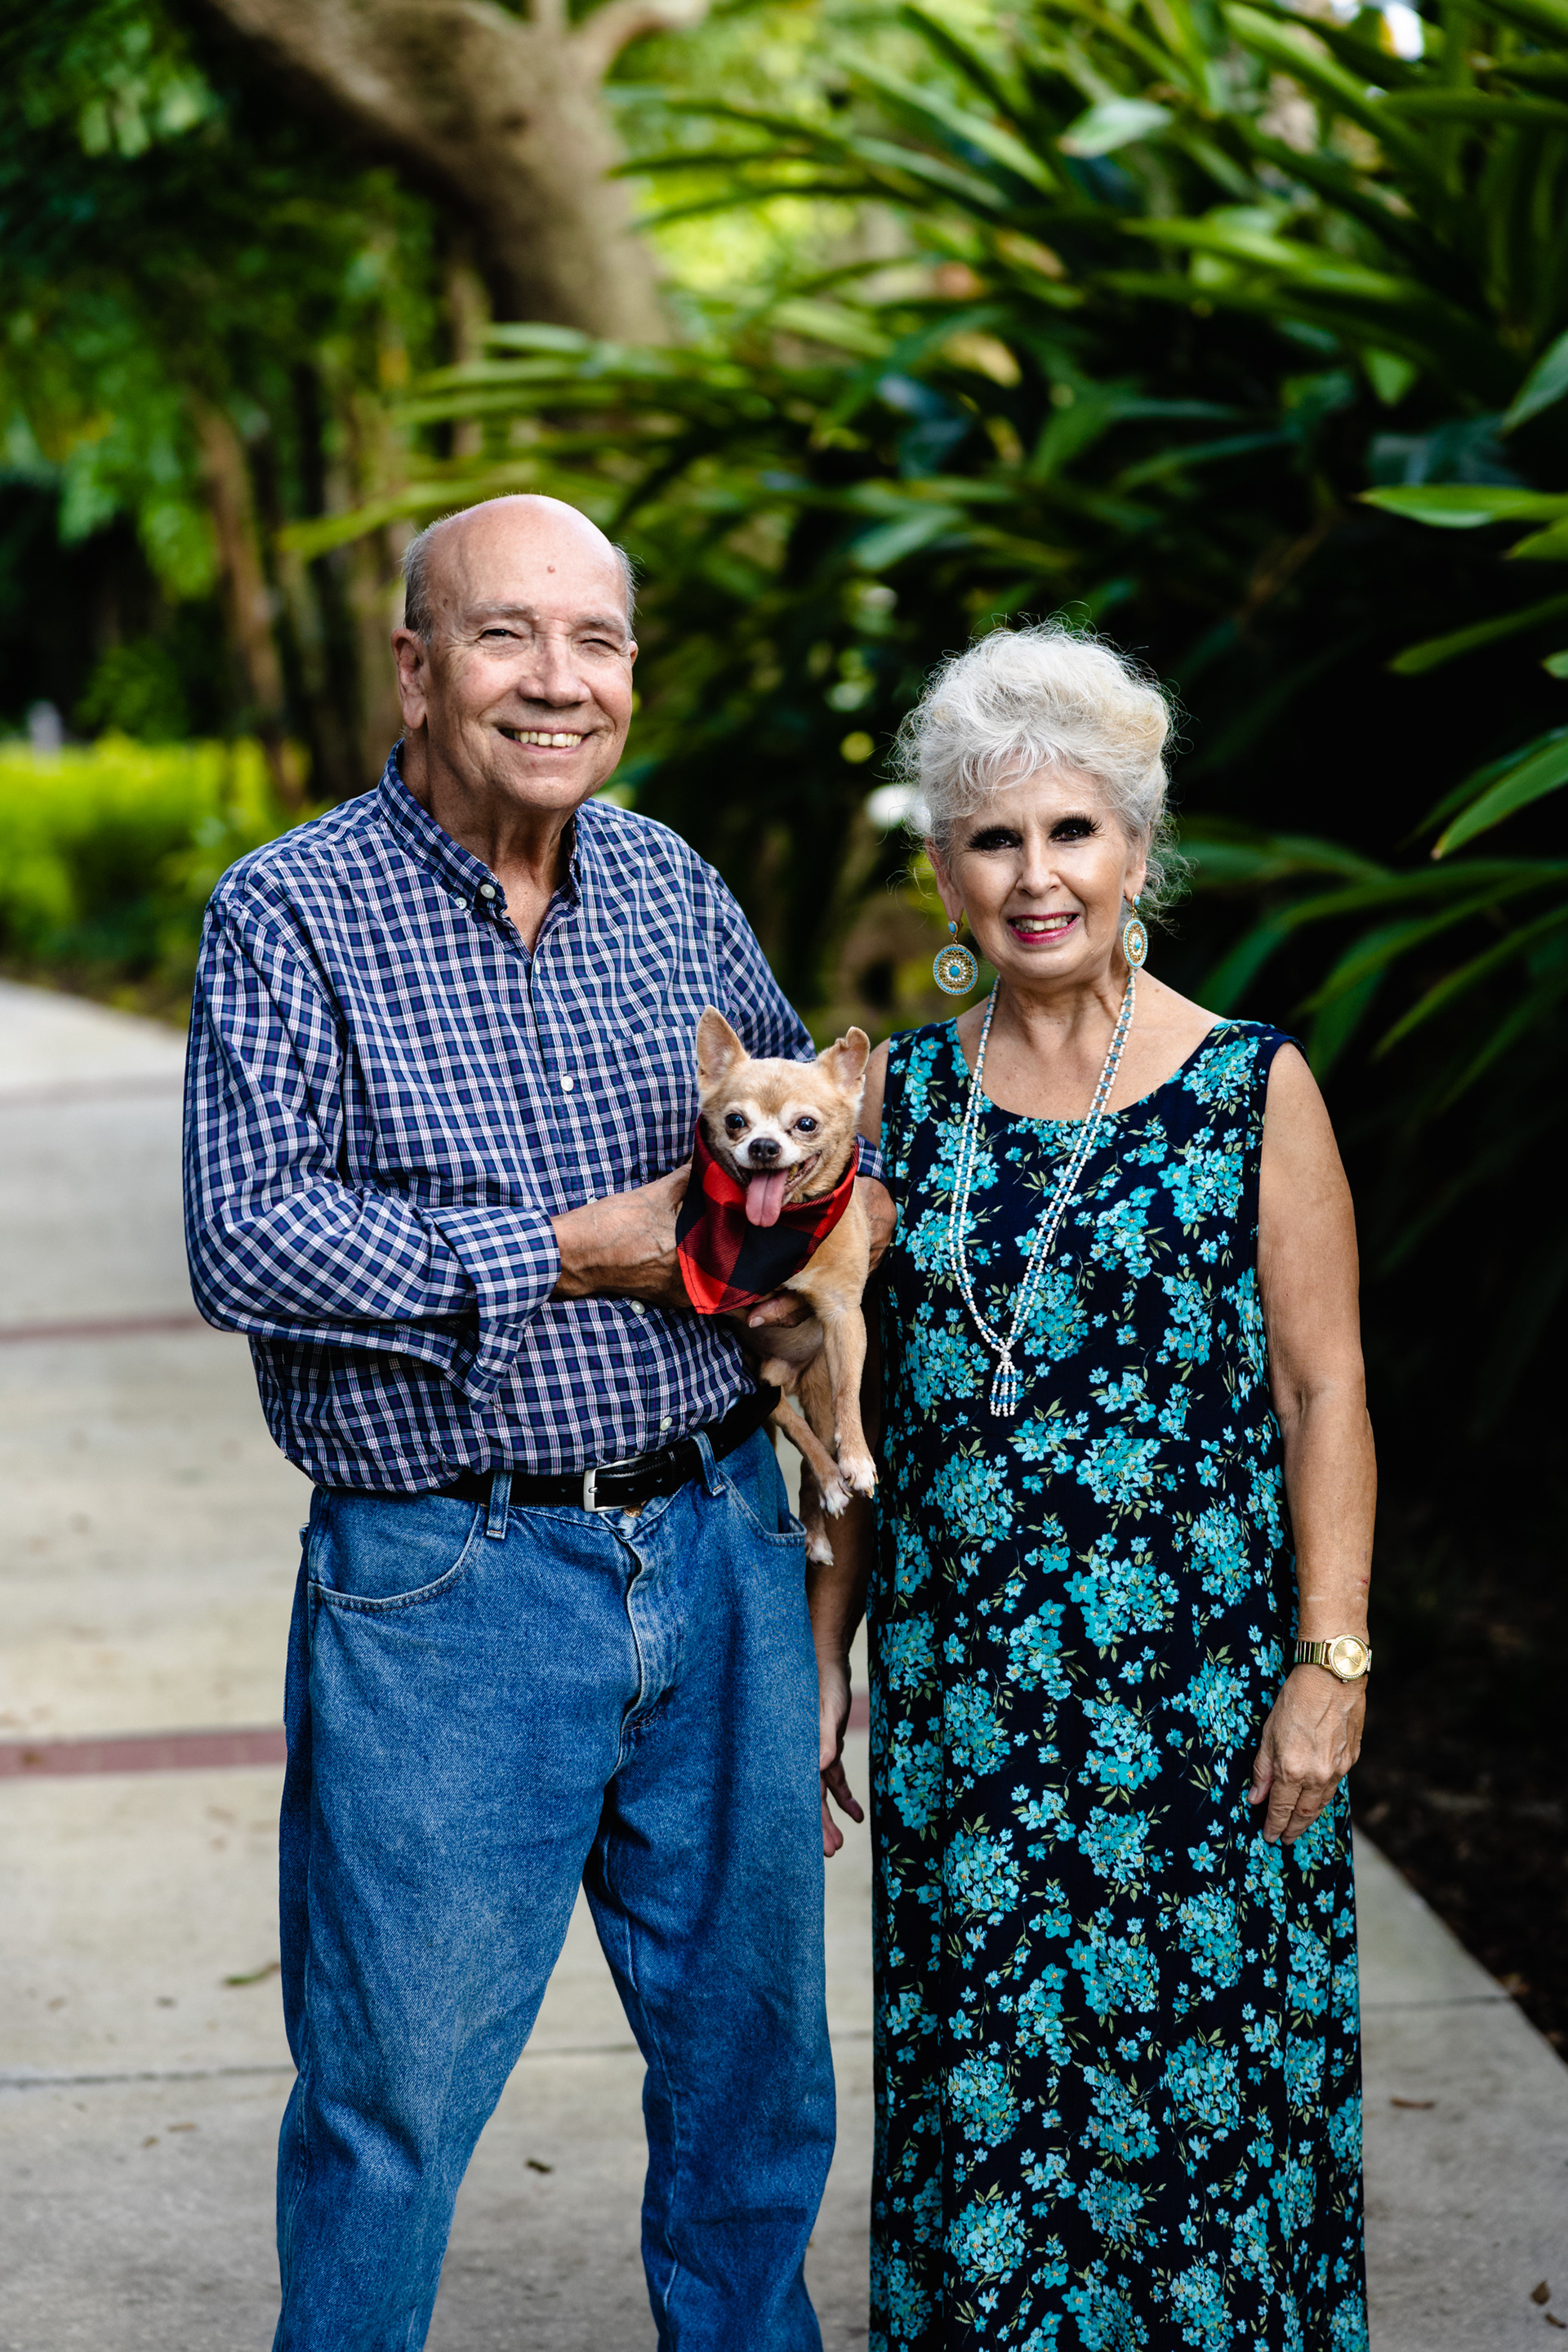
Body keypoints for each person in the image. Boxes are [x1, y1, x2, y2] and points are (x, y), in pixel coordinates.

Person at [181, 492, 892, 2352]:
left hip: (721, 1545)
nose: (558, 681)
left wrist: (833, 1257)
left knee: (756, 2086)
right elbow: (244, 1239)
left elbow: (810, 1138)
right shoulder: (290, 909)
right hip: (452, 1581)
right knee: (392, 2108)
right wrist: (568, 1250)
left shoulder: (673, 887)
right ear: (416, 672)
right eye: (507, 635)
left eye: (598, 642)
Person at [811, 624, 1372, 2351]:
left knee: (1205, 2135)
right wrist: (823, 1659)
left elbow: (1325, 1390)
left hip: (1203, 1722)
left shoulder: (1250, 1086)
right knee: (989, 2133)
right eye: (993, 839)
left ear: (1139, 848)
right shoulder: (895, 1105)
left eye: (1072, 831)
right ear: (943, 873)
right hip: (972, 1731)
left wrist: (1330, 1663)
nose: (1035, 876)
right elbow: (844, 1406)